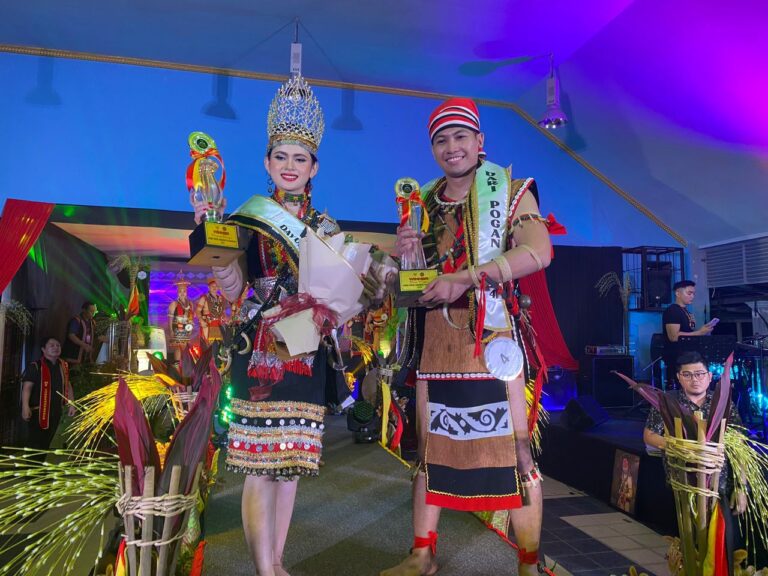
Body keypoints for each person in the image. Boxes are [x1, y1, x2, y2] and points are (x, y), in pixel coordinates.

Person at [383, 98, 555, 576]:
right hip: (436, 342)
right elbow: (416, 283)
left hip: (493, 340)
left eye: (461, 136)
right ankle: (422, 554)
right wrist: (407, 255)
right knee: (430, 451)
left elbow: (539, 251)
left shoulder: (510, 190)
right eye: (441, 139)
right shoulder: (422, 202)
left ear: (480, 142)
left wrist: (464, 279)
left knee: (517, 454)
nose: (451, 147)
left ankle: (527, 563)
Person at [190, 74, 348, 576]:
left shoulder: (327, 229)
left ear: (314, 166)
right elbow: (234, 290)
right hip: (258, 349)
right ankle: (264, 569)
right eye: (281, 156)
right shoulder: (245, 219)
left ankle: (277, 560)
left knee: (290, 466)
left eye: (300, 158)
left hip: (304, 352)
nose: (290, 165)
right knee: (258, 466)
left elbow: (342, 295)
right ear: (266, 162)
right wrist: (216, 249)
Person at [643, 351, 747, 513]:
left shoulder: (723, 403)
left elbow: (740, 446)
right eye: (687, 375)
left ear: (710, 376)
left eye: (700, 374)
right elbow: (649, 436)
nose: (695, 379)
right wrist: (681, 446)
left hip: (719, 485)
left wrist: (741, 487)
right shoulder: (668, 402)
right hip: (681, 483)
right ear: (678, 377)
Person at [20, 337, 75, 450]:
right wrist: (25, 406)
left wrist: (71, 403)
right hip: (38, 411)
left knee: (46, 443)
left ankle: (40, 460)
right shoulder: (36, 366)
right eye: (52, 345)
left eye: (58, 345)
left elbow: (67, 385)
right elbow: (27, 388)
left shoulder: (63, 366)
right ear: (43, 349)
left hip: (56, 410)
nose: (56, 347)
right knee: (35, 443)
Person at [662, 280, 714, 387]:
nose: (692, 296)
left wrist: (702, 331)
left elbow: (687, 333)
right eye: (689, 293)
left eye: (693, 294)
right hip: (677, 357)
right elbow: (673, 336)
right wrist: (699, 333)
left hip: (688, 356)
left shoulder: (686, 311)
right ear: (678, 293)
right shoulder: (673, 310)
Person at [167, 277, 195, 363]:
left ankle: (183, 366)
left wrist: (190, 329)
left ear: (187, 292)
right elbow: (170, 319)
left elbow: (191, 319)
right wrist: (171, 331)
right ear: (177, 292)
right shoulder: (174, 304)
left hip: (186, 329)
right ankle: (177, 366)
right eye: (180, 291)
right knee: (178, 348)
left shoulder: (190, 304)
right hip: (177, 329)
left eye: (184, 291)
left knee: (185, 349)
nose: (182, 293)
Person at [196, 277, 226, 344]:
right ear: (209, 287)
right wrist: (201, 321)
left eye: (216, 286)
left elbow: (222, 311)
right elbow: (198, 311)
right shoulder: (204, 298)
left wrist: (225, 318)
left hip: (218, 323)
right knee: (210, 344)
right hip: (208, 323)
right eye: (212, 286)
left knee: (218, 344)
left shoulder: (220, 298)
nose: (214, 287)